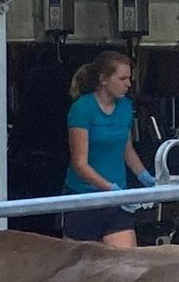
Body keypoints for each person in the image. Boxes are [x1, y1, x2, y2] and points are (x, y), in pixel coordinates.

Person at [61, 50, 155, 249]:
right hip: (84, 197)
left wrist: (145, 177)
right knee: (82, 263)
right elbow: (80, 164)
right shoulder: (82, 109)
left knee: (126, 261)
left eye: (129, 78)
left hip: (116, 200)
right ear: (103, 79)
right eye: (122, 79)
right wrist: (111, 189)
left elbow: (127, 149)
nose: (128, 84)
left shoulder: (126, 107)